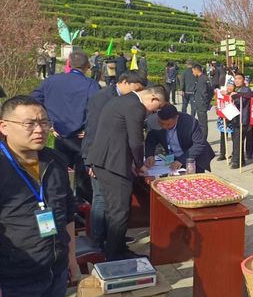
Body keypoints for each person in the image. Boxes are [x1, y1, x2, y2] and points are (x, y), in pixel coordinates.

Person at [0, 96, 81, 297]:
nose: (39, 130)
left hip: (54, 273)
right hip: (13, 281)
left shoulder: (55, 160)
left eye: (44, 122)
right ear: (4, 126)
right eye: (29, 124)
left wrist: (71, 259)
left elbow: (67, 214)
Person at [86, 86, 166, 260]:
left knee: (115, 208)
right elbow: (136, 140)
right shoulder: (134, 106)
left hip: (105, 160)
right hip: (113, 164)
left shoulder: (122, 100)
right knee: (120, 211)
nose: (154, 113)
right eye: (157, 108)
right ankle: (115, 254)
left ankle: (117, 246)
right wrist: (139, 164)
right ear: (153, 98)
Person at [81, 71, 146, 250]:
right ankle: (97, 241)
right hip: (99, 157)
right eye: (136, 89)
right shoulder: (103, 98)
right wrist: (90, 160)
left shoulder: (126, 101)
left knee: (110, 203)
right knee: (101, 199)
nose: (137, 94)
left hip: (110, 158)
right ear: (124, 82)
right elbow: (94, 130)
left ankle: (112, 238)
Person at [31, 51, 100, 203]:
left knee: (59, 172)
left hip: (59, 134)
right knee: (82, 176)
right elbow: (97, 109)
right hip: (81, 137)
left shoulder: (51, 81)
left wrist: (48, 122)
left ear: (68, 63)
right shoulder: (91, 84)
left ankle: (62, 203)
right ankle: (83, 208)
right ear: (87, 66)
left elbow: (33, 100)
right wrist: (89, 130)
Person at [144, 104, 214, 173]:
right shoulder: (153, 121)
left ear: (177, 117)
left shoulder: (190, 123)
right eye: (161, 124)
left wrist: (181, 160)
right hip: (172, 159)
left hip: (192, 157)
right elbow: (151, 140)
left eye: (168, 124)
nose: (164, 127)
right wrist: (150, 155)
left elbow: (199, 144)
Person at [229, 73, 253, 169]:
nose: (237, 80)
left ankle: (237, 161)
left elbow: (241, 102)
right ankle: (240, 160)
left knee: (238, 141)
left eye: (239, 78)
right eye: (235, 79)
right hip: (237, 119)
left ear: (244, 80)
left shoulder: (245, 90)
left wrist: (234, 97)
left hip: (242, 119)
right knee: (237, 140)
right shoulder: (238, 90)